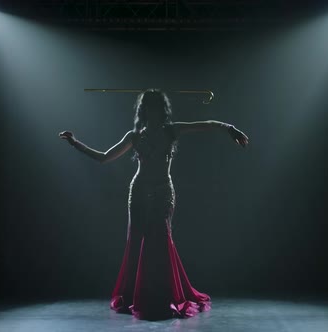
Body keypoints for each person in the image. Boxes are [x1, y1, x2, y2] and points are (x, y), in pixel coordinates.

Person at [59, 89, 249, 320]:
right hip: (138, 192)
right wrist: (75, 143)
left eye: (156, 106)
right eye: (148, 107)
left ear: (162, 109)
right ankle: (136, 296)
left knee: (160, 241)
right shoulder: (134, 136)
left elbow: (207, 124)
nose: (153, 111)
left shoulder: (172, 130)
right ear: (143, 110)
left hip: (163, 192)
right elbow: (103, 157)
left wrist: (230, 129)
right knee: (138, 242)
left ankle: (163, 295)